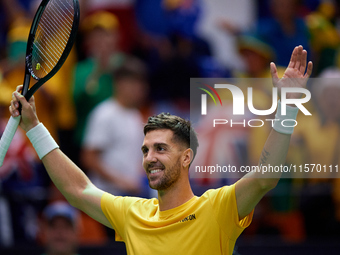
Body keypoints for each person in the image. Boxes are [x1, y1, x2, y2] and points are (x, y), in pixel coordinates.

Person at [8, 45, 312, 254]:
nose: (150, 157)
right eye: (145, 150)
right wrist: (34, 126)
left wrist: (286, 108)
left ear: (186, 157)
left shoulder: (217, 208)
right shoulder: (132, 213)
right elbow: (77, 189)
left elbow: (265, 178)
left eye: (160, 148)